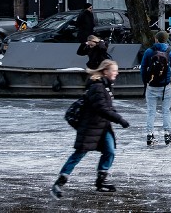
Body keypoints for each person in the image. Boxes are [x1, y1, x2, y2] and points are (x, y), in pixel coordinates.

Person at [50, 59, 130, 199]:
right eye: (114, 70)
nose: (117, 73)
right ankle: (59, 182)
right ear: (106, 71)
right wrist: (120, 119)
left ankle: (101, 182)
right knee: (79, 153)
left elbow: (107, 107)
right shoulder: (97, 87)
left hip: (103, 126)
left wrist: (115, 115)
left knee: (110, 151)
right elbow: (101, 108)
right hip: (90, 127)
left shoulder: (106, 86)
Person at [141, 31, 171, 147]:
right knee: (166, 110)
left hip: (151, 85)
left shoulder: (149, 51)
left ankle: (150, 135)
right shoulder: (170, 52)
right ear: (166, 40)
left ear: (156, 39)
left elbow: (143, 68)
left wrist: (145, 82)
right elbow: (169, 67)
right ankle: (167, 134)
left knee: (151, 111)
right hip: (165, 86)